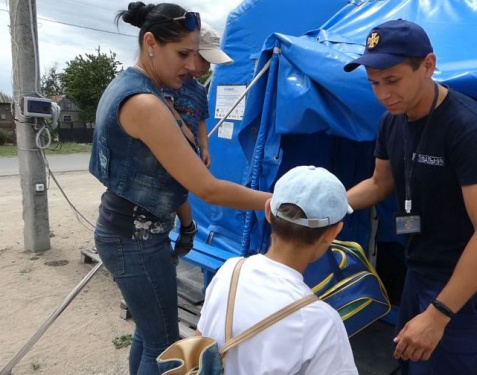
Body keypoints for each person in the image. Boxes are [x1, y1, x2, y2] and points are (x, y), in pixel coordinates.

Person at [88, 3, 271, 374]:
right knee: (165, 346)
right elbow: (209, 189)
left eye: (194, 54)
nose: (191, 66)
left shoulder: (135, 86)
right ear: (151, 43)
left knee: (148, 333)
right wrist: (274, 200)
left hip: (129, 231)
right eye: (183, 54)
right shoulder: (146, 103)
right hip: (136, 239)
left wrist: (186, 224)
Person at [344, 19, 477, 374]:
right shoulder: (392, 121)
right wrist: (322, 208)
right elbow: (379, 183)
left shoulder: (471, 130)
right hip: (419, 266)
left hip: (462, 283)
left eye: (393, 80)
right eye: (374, 84)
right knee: (408, 357)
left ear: (428, 65)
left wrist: (439, 314)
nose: (383, 94)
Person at [197, 166, 359, 375]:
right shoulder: (322, 322)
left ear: (267, 212)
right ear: (333, 233)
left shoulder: (229, 271)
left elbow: (199, 345)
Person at [163, 25, 233, 264]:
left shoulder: (200, 90)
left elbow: (202, 120)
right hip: (171, 148)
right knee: (170, 191)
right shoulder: (170, 82)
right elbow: (167, 107)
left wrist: (204, 147)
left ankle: (185, 229)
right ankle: (175, 235)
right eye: (205, 60)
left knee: (182, 191)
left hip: (190, 150)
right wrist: (183, 130)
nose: (207, 67)